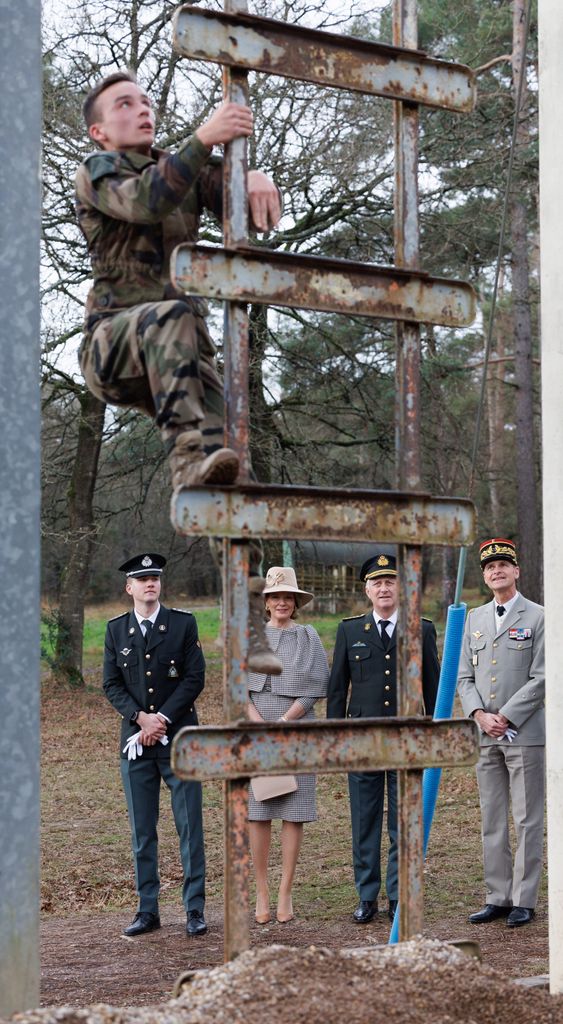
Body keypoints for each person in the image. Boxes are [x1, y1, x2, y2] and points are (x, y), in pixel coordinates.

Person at [76, 70, 282, 677]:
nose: (141, 109)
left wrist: (250, 174)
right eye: (124, 104)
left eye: (145, 100)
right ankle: (184, 466)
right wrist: (205, 139)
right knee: (171, 312)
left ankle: (249, 627)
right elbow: (148, 201)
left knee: (233, 474)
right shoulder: (100, 171)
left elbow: (249, 208)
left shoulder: (183, 166)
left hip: (179, 357)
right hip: (115, 346)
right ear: (99, 128)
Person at [327, 551, 440, 924]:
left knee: (402, 822)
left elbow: (435, 688)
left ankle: (397, 895)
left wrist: (433, 735)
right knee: (365, 820)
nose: (384, 587)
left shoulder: (420, 629)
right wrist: (336, 739)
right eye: (377, 582)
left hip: (407, 741)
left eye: (390, 581)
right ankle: (366, 895)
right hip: (362, 742)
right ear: (367, 590)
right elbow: (336, 689)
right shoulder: (349, 630)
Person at [103, 552, 208, 937]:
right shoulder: (116, 630)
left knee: (189, 827)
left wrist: (161, 718)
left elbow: (194, 678)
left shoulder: (182, 624)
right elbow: (111, 683)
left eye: (155, 578)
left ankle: (194, 909)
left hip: (179, 740)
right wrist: (140, 718)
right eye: (142, 579)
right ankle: (148, 910)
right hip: (136, 743)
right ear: (129, 587)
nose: (150, 583)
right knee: (143, 831)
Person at [457, 538, 545, 929]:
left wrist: (505, 716)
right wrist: (478, 713)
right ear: (485, 575)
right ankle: (498, 896)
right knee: (492, 817)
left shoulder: (539, 617)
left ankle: (525, 899)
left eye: (503, 566)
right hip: (484, 734)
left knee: (527, 818)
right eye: (490, 568)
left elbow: (544, 677)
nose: (497, 572)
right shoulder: (474, 619)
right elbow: (462, 676)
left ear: (516, 571)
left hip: (523, 733)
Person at [247, 566, 329, 925]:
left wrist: (284, 722)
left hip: (295, 729)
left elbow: (315, 686)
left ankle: (285, 892)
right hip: (257, 730)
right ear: (266, 602)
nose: (281, 602)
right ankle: (261, 891)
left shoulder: (308, 636)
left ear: (295, 602)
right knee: (258, 810)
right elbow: (237, 687)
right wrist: (259, 725)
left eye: (287, 597)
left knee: (294, 811)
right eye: (275, 596)